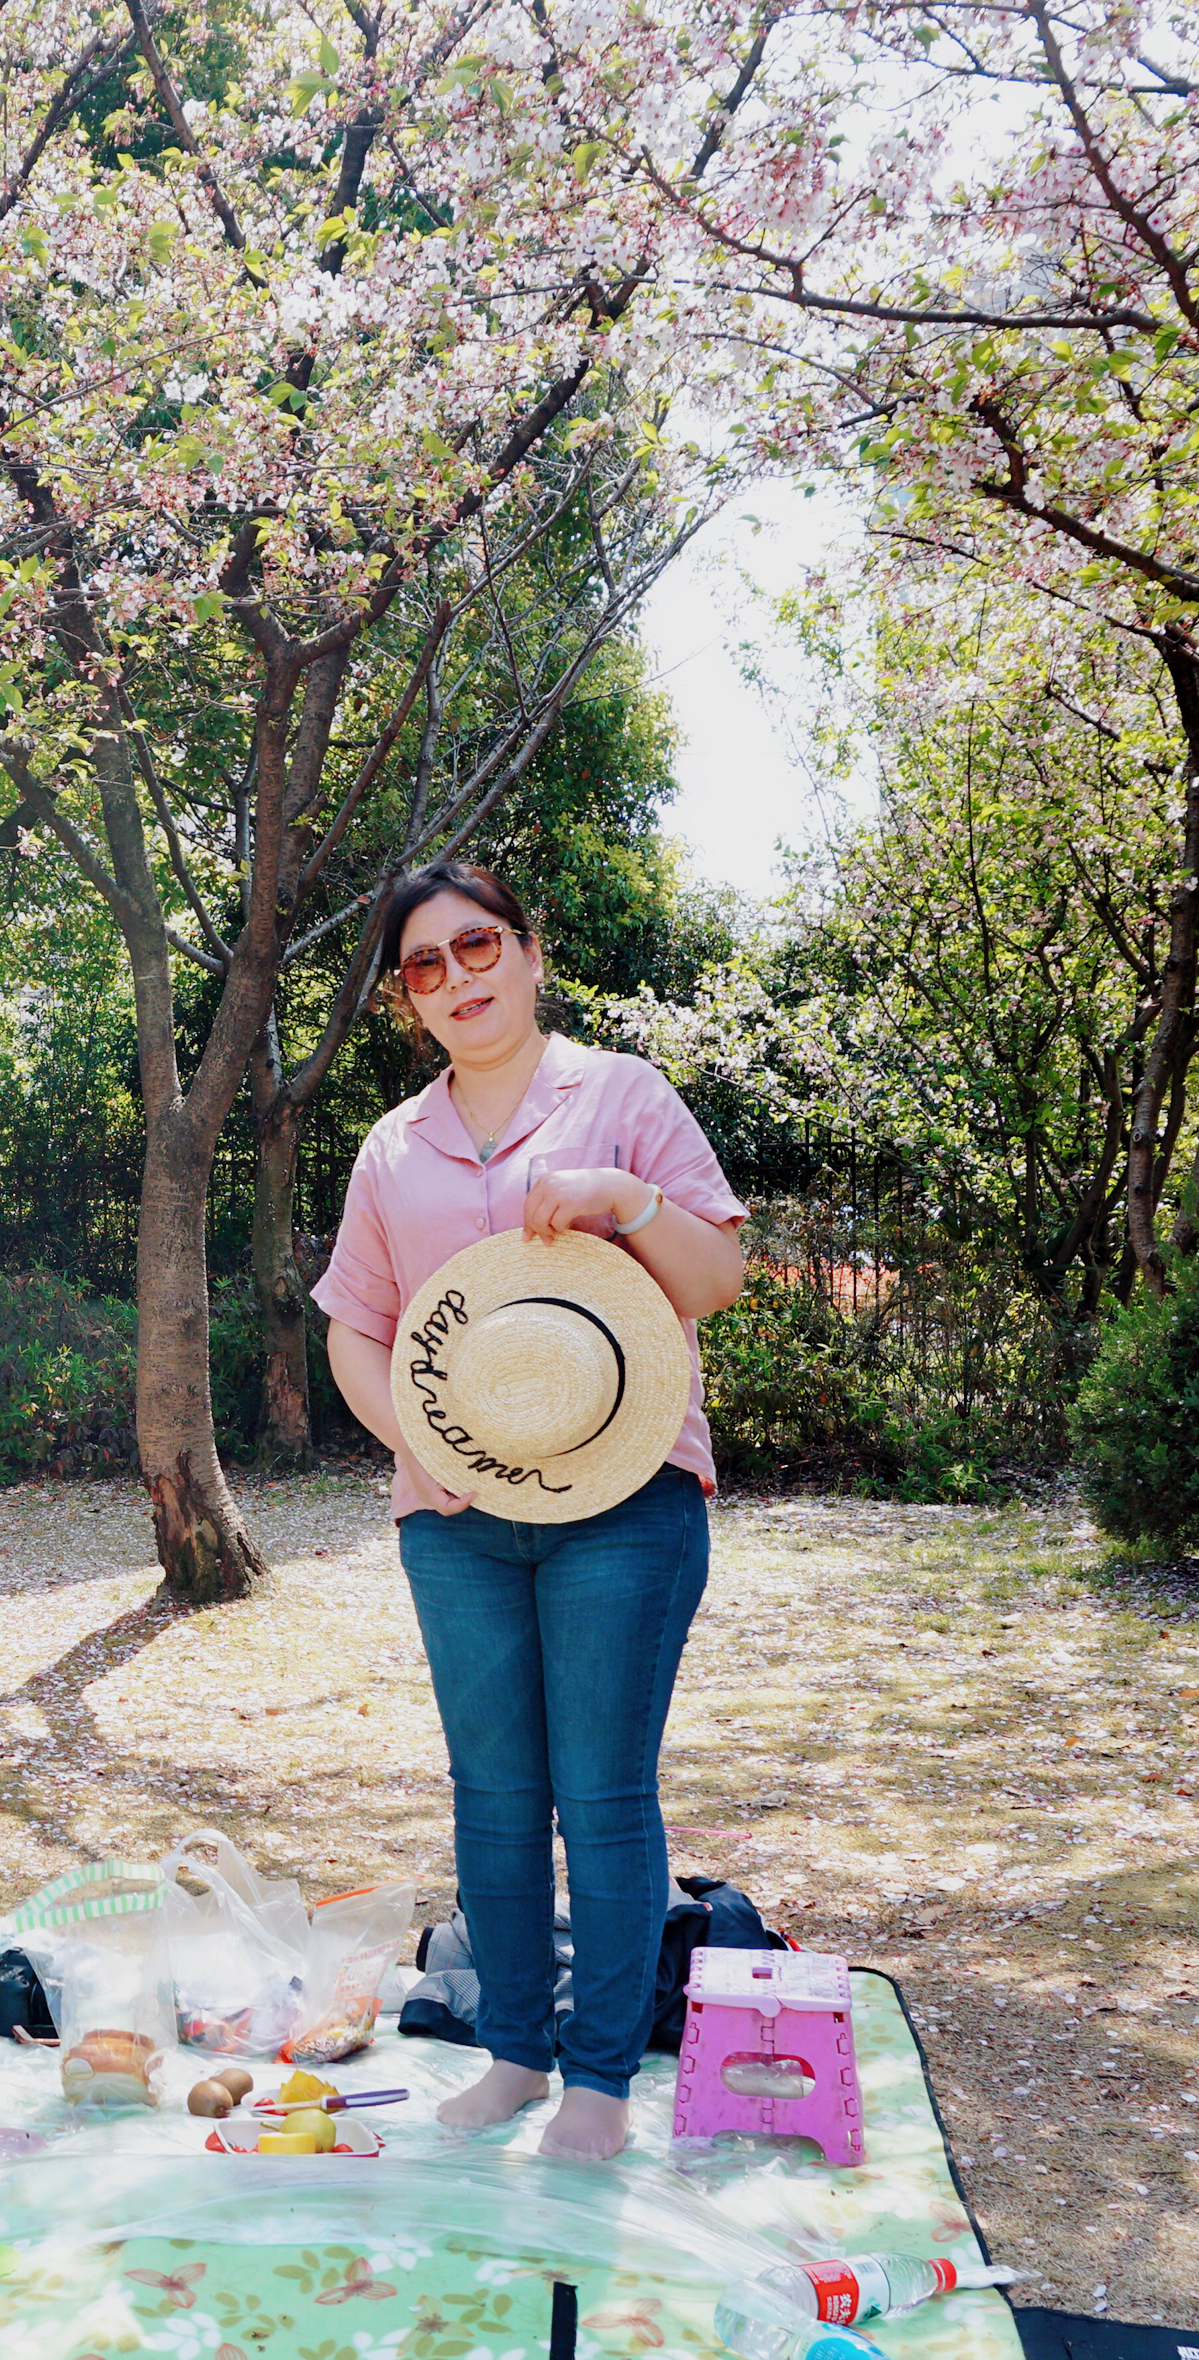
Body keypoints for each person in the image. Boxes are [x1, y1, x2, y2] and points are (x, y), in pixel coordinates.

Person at [314, 857, 748, 2161]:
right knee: (494, 1795)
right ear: (407, 998)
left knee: (602, 1793)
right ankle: (513, 2052)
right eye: (426, 964)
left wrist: (630, 1201)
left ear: (529, 949)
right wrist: (418, 1448)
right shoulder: (395, 1145)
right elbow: (353, 1328)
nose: (460, 977)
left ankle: (603, 2079)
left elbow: (719, 1272)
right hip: (455, 1520)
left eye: (479, 943)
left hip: (628, 1500)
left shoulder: (620, 1093)